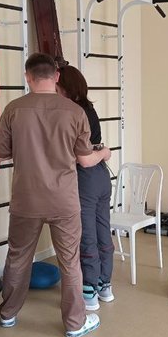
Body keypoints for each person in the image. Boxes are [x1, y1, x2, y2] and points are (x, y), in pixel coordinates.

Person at [0, 53, 111, 337]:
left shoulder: (13, 109)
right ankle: (74, 324)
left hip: (26, 199)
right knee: (69, 262)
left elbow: (1, 153)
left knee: (18, 257)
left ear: (28, 77)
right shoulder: (75, 112)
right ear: (56, 76)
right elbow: (85, 158)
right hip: (63, 200)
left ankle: (8, 314)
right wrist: (103, 153)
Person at [56, 64, 115, 311]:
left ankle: (89, 291)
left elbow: (83, 158)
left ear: (65, 89)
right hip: (101, 177)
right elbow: (97, 149)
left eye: (57, 87)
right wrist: (103, 153)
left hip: (86, 178)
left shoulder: (71, 113)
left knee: (87, 235)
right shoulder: (89, 109)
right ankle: (105, 285)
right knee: (103, 231)